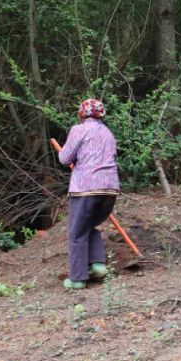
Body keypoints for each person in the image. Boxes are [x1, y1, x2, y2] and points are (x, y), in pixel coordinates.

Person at [57, 99, 120, 289]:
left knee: (76, 233)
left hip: (85, 188)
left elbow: (64, 158)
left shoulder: (79, 130)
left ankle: (77, 279)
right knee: (88, 227)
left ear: (82, 114)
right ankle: (98, 264)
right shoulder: (108, 133)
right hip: (110, 189)